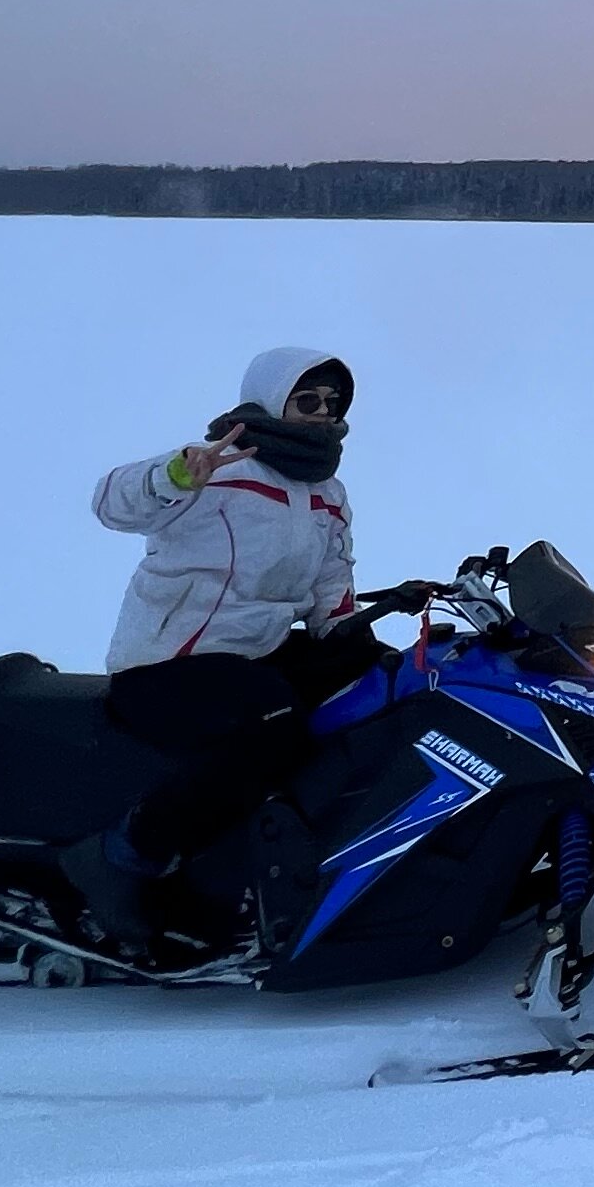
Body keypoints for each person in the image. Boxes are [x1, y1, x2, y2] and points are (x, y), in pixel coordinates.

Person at [59, 345, 385, 956]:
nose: (321, 412)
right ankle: (126, 855)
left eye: (331, 402)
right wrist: (177, 473)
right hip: (167, 665)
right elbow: (111, 503)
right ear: (270, 399)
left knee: (384, 681)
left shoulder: (327, 491)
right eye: (306, 399)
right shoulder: (220, 468)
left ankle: (341, 846)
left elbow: (329, 583)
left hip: (251, 657)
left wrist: (353, 637)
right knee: (274, 721)